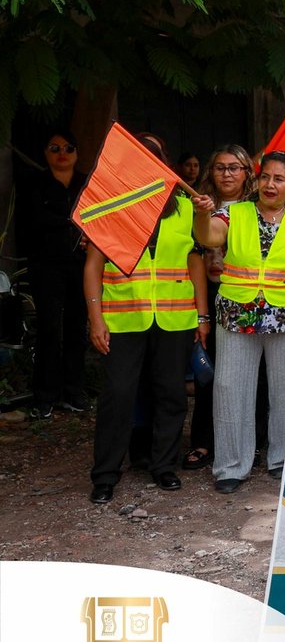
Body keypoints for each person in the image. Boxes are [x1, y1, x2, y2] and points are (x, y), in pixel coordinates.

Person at [192, 152, 285, 493]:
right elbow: (209, 237)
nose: (270, 184)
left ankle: (284, 459)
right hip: (237, 313)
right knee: (230, 388)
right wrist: (201, 215)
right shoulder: (234, 213)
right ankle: (231, 466)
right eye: (265, 177)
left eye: (279, 179)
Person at [85, 176, 206, 502]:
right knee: (118, 394)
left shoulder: (184, 208)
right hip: (123, 318)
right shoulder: (110, 208)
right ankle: (105, 475)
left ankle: (164, 465)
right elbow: (93, 265)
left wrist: (202, 315)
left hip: (174, 316)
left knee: (171, 394)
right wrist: (96, 318)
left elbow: (195, 260)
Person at [182, 145, 254, 470]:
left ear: (247, 172)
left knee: (252, 374)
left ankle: (253, 441)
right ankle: (204, 441)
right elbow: (192, 255)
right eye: (220, 167)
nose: (227, 174)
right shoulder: (198, 205)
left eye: (234, 167)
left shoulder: (258, 206)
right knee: (208, 372)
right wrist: (201, 313)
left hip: (248, 294)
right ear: (211, 172)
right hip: (207, 292)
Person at [19, 131, 89, 419]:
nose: (62, 153)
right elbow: (32, 222)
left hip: (81, 264)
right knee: (49, 327)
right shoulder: (33, 183)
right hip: (45, 265)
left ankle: (74, 391)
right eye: (55, 148)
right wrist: (70, 224)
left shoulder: (86, 183)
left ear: (77, 153)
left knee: (77, 326)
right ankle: (45, 395)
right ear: (45, 152)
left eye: (69, 148)